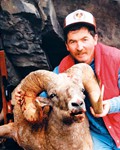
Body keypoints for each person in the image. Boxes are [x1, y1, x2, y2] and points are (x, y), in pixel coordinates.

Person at [14, 9, 120, 150]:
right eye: (73, 42)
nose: (80, 47)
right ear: (67, 46)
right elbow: (49, 93)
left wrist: (110, 105)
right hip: (97, 136)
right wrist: (27, 98)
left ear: (95, 39)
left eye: (84, 39)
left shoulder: (116, 59)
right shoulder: (63, 69)